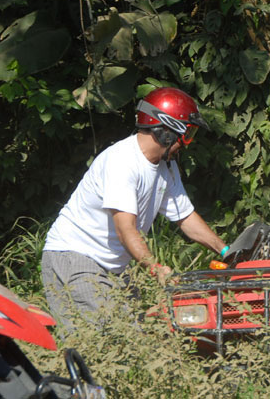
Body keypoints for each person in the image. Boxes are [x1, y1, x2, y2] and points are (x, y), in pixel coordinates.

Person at [41, 87, 228, 330]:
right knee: (110, 344)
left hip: (111, 267)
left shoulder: (165, 168)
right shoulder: (123, 162)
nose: (187, 143)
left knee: (140, 338)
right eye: (187, 134)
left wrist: (226, 252)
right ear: (166, 131)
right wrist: (155, 268)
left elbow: (185, 217)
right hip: (75, 257)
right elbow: (125, 230)